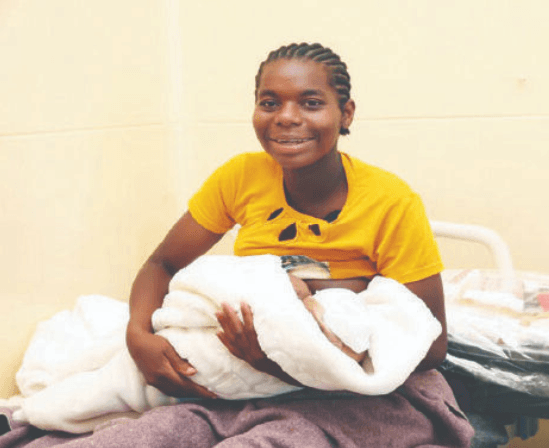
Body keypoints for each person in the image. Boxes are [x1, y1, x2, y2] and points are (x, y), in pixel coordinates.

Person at [1, 42, 473, 448]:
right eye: (270, 102)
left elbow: (429, 346)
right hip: (236, 370)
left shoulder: (390, 202)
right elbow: (162, 263)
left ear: (345, 114)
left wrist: (282, 360)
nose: (287, 118)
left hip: (352, 388)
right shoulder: (241, 177)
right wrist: (139, 338)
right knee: (138, 435)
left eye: (311, 103)